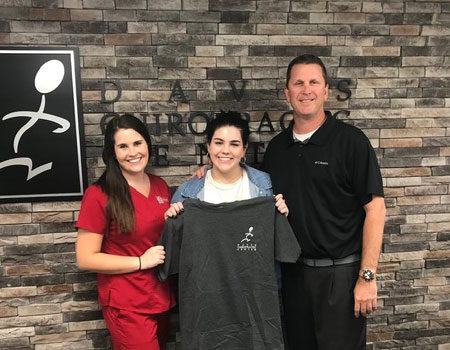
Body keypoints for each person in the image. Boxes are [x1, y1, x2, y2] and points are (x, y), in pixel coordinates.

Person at [261, 54, 386, 349]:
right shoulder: (276, 149)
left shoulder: (351, 142)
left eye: (314, 82)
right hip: (294, 275)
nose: (307, 90)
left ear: (326, 90)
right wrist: (207, 172)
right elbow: (251, 188)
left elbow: (376, 210)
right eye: (299, 83)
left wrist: (367, 277)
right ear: (287, 92)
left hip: (341, 276)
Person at [161, 111, 300, 350]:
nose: (225, 150)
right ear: (208, 146)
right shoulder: (186, 194)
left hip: (253, 304)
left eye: (234, 144)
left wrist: (280, 214)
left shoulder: (266, 188)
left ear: (244, 149)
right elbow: (169, 261)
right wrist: (173, 221)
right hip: (207, 308)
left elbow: (288, 252)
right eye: (219, 142)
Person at [75, 114, 175, 350]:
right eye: (123, 146)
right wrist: (140, 262)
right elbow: (85, 258)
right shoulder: (99, 194)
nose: (132, 152)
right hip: (127, 302)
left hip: (160, 295)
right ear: (113, 152)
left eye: (137, 143)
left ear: (147, 144)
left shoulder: (160, 186)